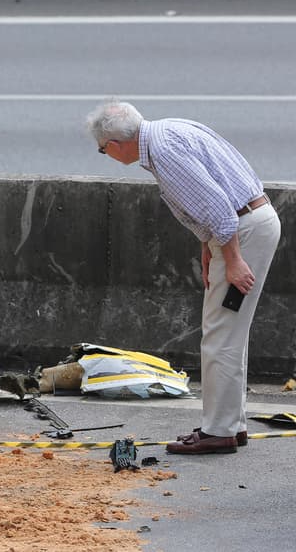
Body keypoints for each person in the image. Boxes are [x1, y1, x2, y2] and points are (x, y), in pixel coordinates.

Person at [86, 100, 280, 455]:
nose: (106, 154)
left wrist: (232, 258)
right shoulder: (169, 130)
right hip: (250, 221)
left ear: (114, 144)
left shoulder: (163, 150)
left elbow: (220, 209)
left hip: (241, 231)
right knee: (230, 332)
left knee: (220, 334)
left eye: (102, 150)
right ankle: (230, 426)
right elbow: (218, 190)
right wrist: (210, 247)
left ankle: (218, 431)